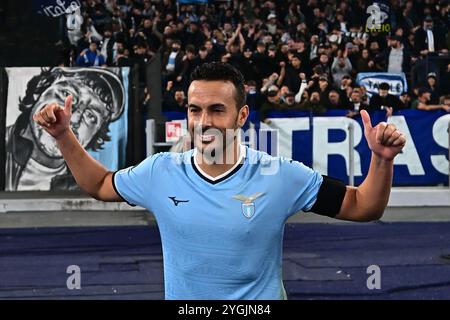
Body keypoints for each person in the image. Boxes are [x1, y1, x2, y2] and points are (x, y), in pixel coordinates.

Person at [33, 62, 406, 300]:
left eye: (216, 110)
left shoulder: (280, 175)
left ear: (241, 115)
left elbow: (364, 207)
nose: (204, 121)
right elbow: (99, 185)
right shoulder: (160, 171)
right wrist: (64, 136)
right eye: (195, 110)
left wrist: (381, 160)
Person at [6, 67, 124, 191]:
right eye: (66, 94)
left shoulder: (87, 184)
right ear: (40, 89)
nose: (73, 120)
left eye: (91, 116)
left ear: (96, 134)